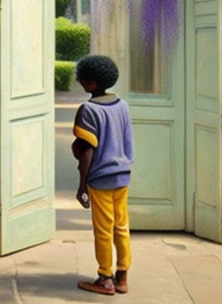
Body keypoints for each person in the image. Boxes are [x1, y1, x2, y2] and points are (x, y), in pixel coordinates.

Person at [71, 54, 134, 295]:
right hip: (123, 174)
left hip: (100, 178)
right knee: (122, 226)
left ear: (92, 83)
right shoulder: (123, 105)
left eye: (82, 78)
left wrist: (82, 185)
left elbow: (87, 151)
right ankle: (123, 275)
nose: (80, 81)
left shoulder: (88, 110)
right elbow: (127, 142)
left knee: (103, 229)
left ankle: (105, 277)